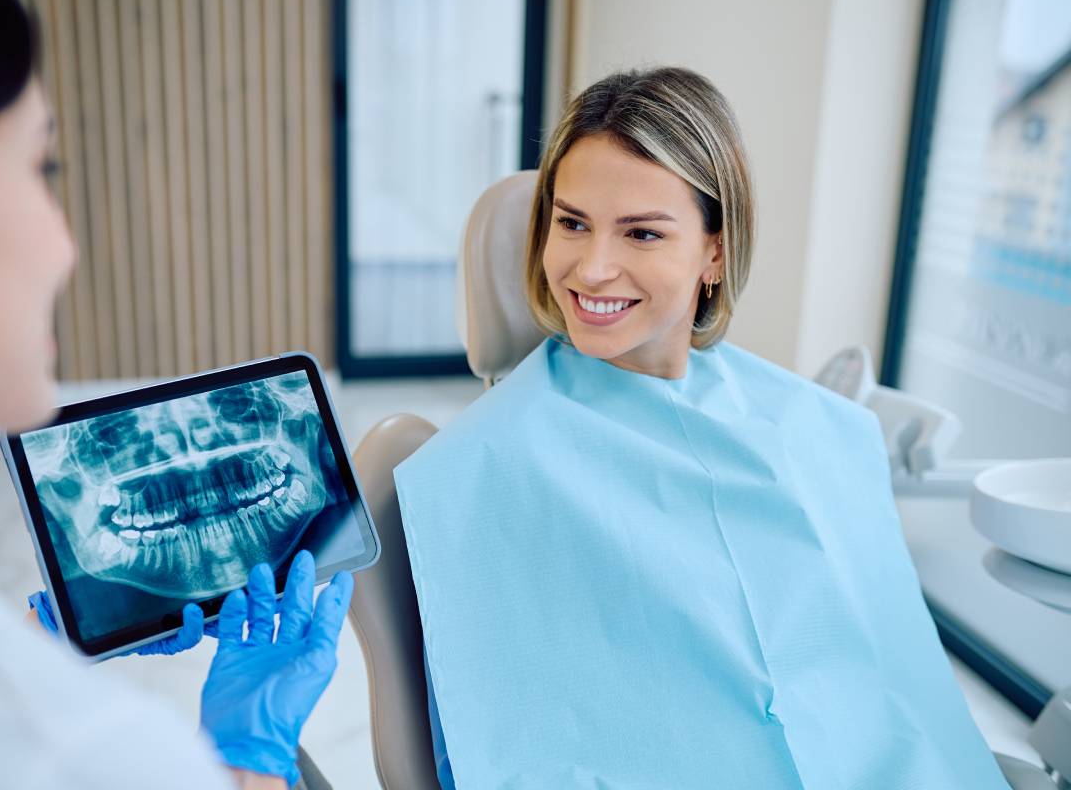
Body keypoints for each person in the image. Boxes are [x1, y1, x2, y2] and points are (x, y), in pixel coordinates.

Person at [395, 67, 1011, 788]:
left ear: (714, 251)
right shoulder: (478, 469)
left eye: (643, 233)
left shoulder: (814, 423)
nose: (592, 268)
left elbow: (885, 677)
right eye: (571, 223)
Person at [0, 0, 349, 788]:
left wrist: (36, 638)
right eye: (38, 168)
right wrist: (249, 762)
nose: (65, 247)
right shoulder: (74, 748)